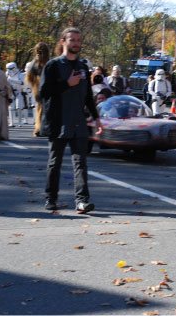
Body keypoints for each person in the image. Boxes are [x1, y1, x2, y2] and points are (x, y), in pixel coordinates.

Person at [39, 27, 103, 214]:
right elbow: (43, 92)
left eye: (78, 40)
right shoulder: (53, 66)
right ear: (63, 42)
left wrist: (96, 118)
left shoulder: (82, 67)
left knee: (80, 163)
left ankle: (82, 201)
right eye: (72, 40)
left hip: (78, 122)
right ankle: (51, 198)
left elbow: (88, 96)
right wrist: (66, 84)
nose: (76, 43)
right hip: (59, 122)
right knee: (55, 162)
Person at [25, 42, 50, 137]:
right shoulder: (44, 62)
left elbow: (29, 77)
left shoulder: (35, 62)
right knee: (43, 108)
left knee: (40, 109)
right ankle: (41, 128)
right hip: (41, 88)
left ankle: (40, 128)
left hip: (39, 88)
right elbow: (29, 77)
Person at [6, 62, 28, 127]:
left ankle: (19, 122)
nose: (9, 70)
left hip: (19, 92)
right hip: (11, 92)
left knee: (19, 107)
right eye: (8, 69)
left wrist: (12, 81)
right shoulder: (7, 74)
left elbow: (22, 82)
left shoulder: (20, 75)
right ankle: (12, 122)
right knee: (11, 108)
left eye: (10, 69)